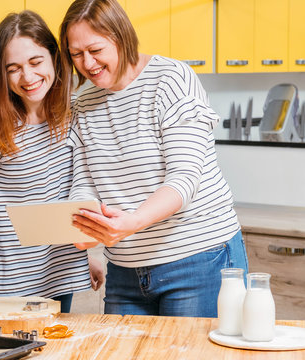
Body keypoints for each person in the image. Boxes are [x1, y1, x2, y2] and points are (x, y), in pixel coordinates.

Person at [58, 0, 248, 317]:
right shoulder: (84, 103)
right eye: (76, 54)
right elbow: (84, 180)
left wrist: (132, 222)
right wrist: (83, 225)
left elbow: (183, 180)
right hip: (125, 269)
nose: (87, 63)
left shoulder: (171, 79)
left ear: (121, 37)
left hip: (199, 258)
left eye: (95, 50)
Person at [0, 10, 104, 313]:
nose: (27, 77)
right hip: (3, 286)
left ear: (55, 58)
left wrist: (82, 257)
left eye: (35, 62)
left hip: (59, 277)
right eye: (13, 69)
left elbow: (62, 198)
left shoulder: (73, 116)